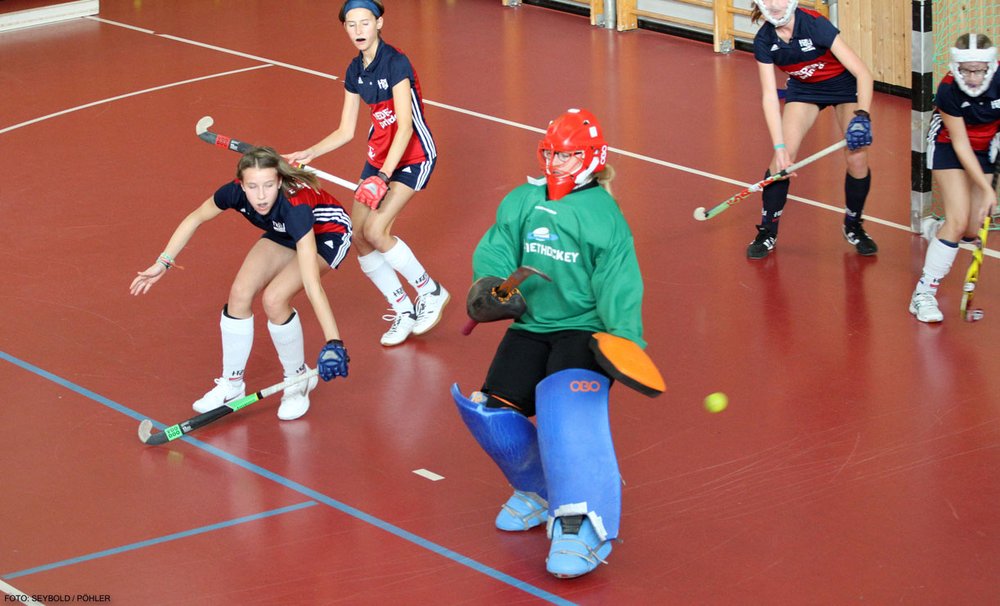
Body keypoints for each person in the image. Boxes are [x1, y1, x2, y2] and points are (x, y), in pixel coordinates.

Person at [451, 109, 645, 579]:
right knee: (491, 413)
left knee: (567, 418)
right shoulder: (523, 200)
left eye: (568, 155)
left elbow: (619, 282)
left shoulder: (603, 216)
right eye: (551, 153)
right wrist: (490, 283)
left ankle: (582, 525)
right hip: (532, 325)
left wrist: (624, 339)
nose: (556, 163)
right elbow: (498, 246)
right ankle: (537, 489)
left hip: (585, 329)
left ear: (592, 158)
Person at [130, 146, 351, 420]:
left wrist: (334, 342)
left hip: (326, 234)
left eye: (268, 185)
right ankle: (232, 385)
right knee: (240, 293)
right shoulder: (233, 193)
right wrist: (163, 262)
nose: (261, 196)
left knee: (275, 299)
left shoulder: (296, 208)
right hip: (282, 231)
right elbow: (196, 217)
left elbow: (312, 284)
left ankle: (298, 379)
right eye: (253, 186)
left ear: (279, 182)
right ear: (241, 185)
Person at [285, 0, 448, 347]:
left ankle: (430, 291)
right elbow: (346, 130)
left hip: (412, 155)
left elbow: (405, 127)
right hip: (379, 156)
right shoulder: (354, 70)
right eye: (351, 25)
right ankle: (403, 309)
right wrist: (310, 152)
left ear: (379, 23)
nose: (358, 30)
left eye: (365, 23)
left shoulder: (396, 62)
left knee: (376, 230)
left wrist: (383, 178)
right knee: (358, 235)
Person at [747, 0, 877, 258]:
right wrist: (779, 147)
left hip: (844, 88)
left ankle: (853, 224)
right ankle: (767, 232)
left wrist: (862, 115)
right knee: (780, 164)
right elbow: (769, 97)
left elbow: (863, 73)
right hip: (804, 90)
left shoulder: (814, 24)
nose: (773, 4)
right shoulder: (764, 40)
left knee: (857, 157)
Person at [910, 33, 1000, 322]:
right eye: (966, 70)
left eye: (979, 70)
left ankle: (939, 230)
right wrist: (987, 188)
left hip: (987, 147)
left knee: (971, 229)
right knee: (959, 221)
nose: (973, 78)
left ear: (990, 66)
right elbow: (961, 145)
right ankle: (923, 294)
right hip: (949, 145)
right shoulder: (948, 89)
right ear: (956, 67)